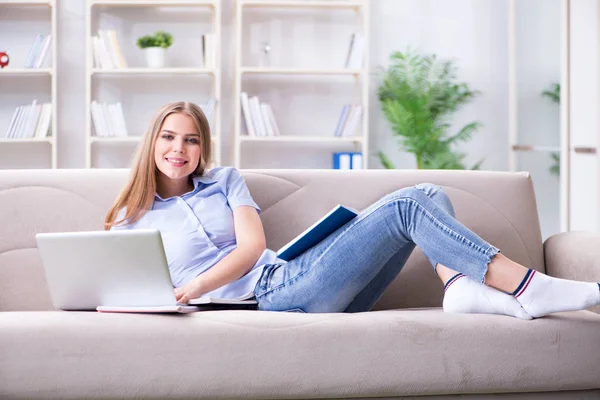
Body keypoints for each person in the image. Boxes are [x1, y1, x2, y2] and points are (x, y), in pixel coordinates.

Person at [105, 101, 600, 318]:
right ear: (152, 143)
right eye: (169, 138)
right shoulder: (129, 219)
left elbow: (253, 246)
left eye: (191, 140)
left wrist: (190, 286)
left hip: (287, 277)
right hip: (271, 303)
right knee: (410, 203)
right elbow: (117, 288)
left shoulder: (225, 181)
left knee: (428, 194)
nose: (179, 149)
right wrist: (184, 295)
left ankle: (457, 288)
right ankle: (525, 287)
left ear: (202, 147)